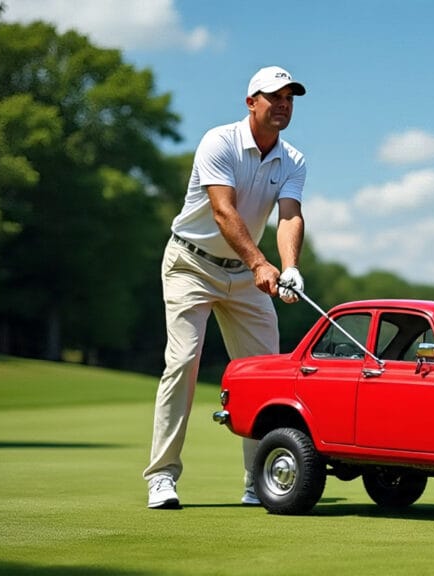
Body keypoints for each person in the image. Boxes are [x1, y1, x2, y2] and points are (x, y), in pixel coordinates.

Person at [144, 66, 308, 509]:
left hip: (245, 276)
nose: (283, 105)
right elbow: (223, 212)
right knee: (183, 362)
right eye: (274, 97)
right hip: (190, 265)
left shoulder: (293, 160)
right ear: (251, 101)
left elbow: (289, 215)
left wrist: (289, 267)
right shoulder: (219, 142)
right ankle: (161, 477)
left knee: (266, 376)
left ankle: (260, 481)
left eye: (290, 98)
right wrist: (260, 262)